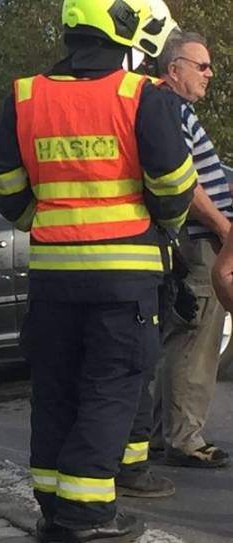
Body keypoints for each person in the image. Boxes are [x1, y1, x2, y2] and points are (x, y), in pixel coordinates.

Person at [0, 0, 195, 541]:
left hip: (53, 276)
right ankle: (87, 515)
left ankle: (54, 507)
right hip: (123, 274)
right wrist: (160, 227)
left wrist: (42, 219)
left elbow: (0, 182)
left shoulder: (26, 94)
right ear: (124, 31)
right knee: (110, 389)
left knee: (55, 389)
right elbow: (174, 184)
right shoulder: (139, 95)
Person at [149, 30, 232, 468]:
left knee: (183, 336)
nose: (209, 74)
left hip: (198, 238)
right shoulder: (169, 109)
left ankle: (165, 433)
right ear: (174, 68)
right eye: (201, 66)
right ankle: (184, 438)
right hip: (201, 242)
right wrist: (223, 227)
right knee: (197, 340)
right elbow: (186, 184)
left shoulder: (172, 108)